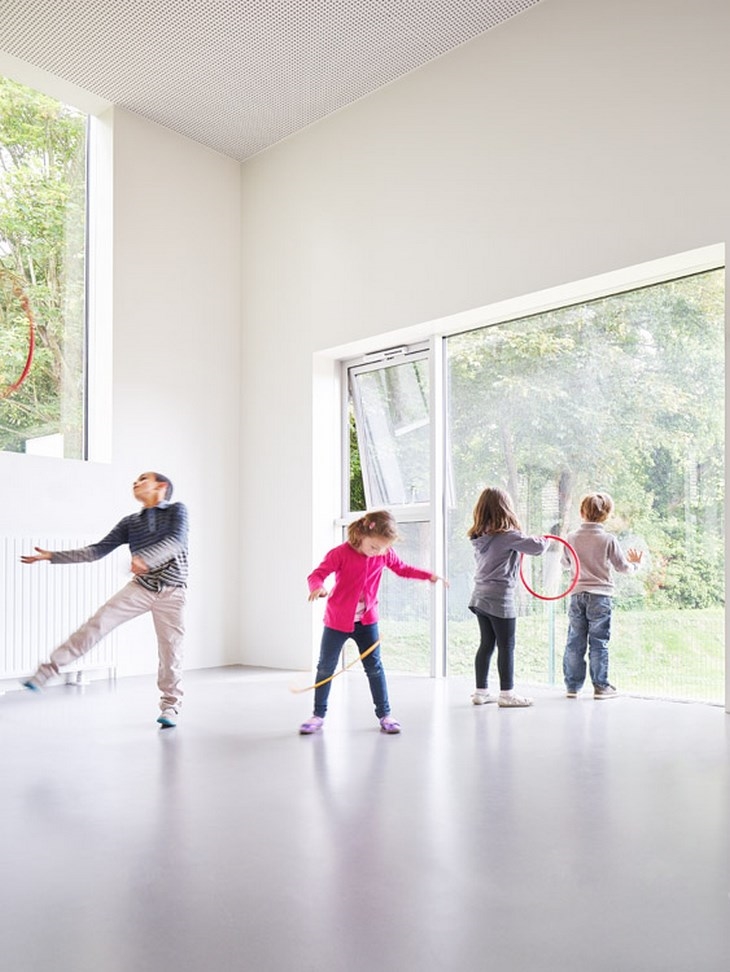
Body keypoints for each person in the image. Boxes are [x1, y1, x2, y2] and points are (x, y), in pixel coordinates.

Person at [19, 471, 189, 728]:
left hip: (172, 592)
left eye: (143, 479)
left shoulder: (177, 511)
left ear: (161, 486)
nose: (136, 483)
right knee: (97, 624)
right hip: (141, 588)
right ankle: (47, 671)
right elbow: (96, 551)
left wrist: (146, 559)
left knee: (171, 650)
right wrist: (53, 556)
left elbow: (175, 542)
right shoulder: (130, 522)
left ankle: (171, 707)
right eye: (135, 480)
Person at [300, 509, 445, 735]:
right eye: (374, 547)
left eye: (383, 548)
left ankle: (385, 714)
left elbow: (402, 569)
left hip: (367, 622)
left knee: (375, 668)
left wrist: (428, 576)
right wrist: (317, 587)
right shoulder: (340, 553)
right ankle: (318, 715)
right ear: (361, 534)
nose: (378, 552)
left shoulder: (383, 554)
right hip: (337, 620)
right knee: (325, 667)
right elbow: (317, 574)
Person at [467, 486, 549, 708]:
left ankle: (480, 691)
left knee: (486, 644)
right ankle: (507, 694)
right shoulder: (508, 536)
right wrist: (546, 539)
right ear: (506, 509)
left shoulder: (479, 537)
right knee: (506, 645)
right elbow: (538, 547)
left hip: (479, 596)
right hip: (500, 597)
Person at [562, 491, 642, 700]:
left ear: (581, 512)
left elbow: (564, 563)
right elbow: (622, 567)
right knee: (599, 642)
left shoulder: (571, 537)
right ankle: (601, 687)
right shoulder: (608, 539)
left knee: (574, 640)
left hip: (577, 595)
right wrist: (635, 565)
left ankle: (572, 686)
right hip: (600, 597)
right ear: (606, 515)